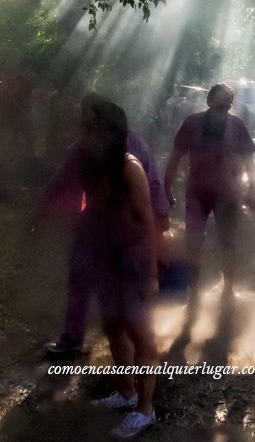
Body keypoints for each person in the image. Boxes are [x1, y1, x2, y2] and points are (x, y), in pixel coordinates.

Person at [35, 93, 169, 358]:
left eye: (86, 121)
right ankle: (79, 340)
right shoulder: (79, 150)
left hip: (128, 238)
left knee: (127, 294)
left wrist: (159, 213)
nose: (81, 128)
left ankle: (139, 362)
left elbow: (150, 181)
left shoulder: (130, 152)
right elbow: (60, 183)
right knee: (85, 282)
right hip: (95, 232)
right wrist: (41, 213)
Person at [80, 101, 158, 438]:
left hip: (134, 261)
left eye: (93, 126)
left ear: (111, 131)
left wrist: (152, 273)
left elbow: (147, 222)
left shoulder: (130, 167)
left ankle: (146, 409)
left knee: (141, 335)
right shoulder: (91, 165)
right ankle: (126, 392)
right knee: (112, 327)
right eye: (85, 126)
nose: (86, 132)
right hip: (105, 259)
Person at [164, 83, 255, 320]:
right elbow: (175, 156)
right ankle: (193, 293)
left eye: (228, 104)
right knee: (194, 243)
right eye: (220, 103)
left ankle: (228, 290)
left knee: (227, 243)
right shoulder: (192, 123)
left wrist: (253, 188)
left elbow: (248, 157)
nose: (225, 107)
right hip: (197, 193)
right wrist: (166, 188)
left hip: (228, 195)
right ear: (209, 102)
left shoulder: (236, 125)